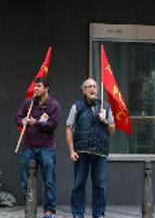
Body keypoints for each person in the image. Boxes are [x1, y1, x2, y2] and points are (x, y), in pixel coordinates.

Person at [66, 78, 114, 218]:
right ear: (84, 90)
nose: (92, 89)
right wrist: (71, 151)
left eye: (94, 86)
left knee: (100, 185)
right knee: (79, 184)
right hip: (82, 152)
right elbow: (69, 129)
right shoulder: (77, 106)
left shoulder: (105, 107)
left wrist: (104, 120)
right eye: (89, 87)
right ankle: (78, 214)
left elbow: (112, 130)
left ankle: (98, 214)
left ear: (97, 90)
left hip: (100, 151)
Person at [15, 77, 61, 218]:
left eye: (39, 86)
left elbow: (52, 125)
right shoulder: (28, 103)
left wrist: (36, 123)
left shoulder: (54, 105)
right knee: (25, 180)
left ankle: (49, 211)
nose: (35, 89)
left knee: (49, 181)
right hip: (29, 147)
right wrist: (23, 120)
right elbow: (18, 117)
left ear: (47, 88)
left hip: (46, 148)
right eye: (35, 86)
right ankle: (29, 207)